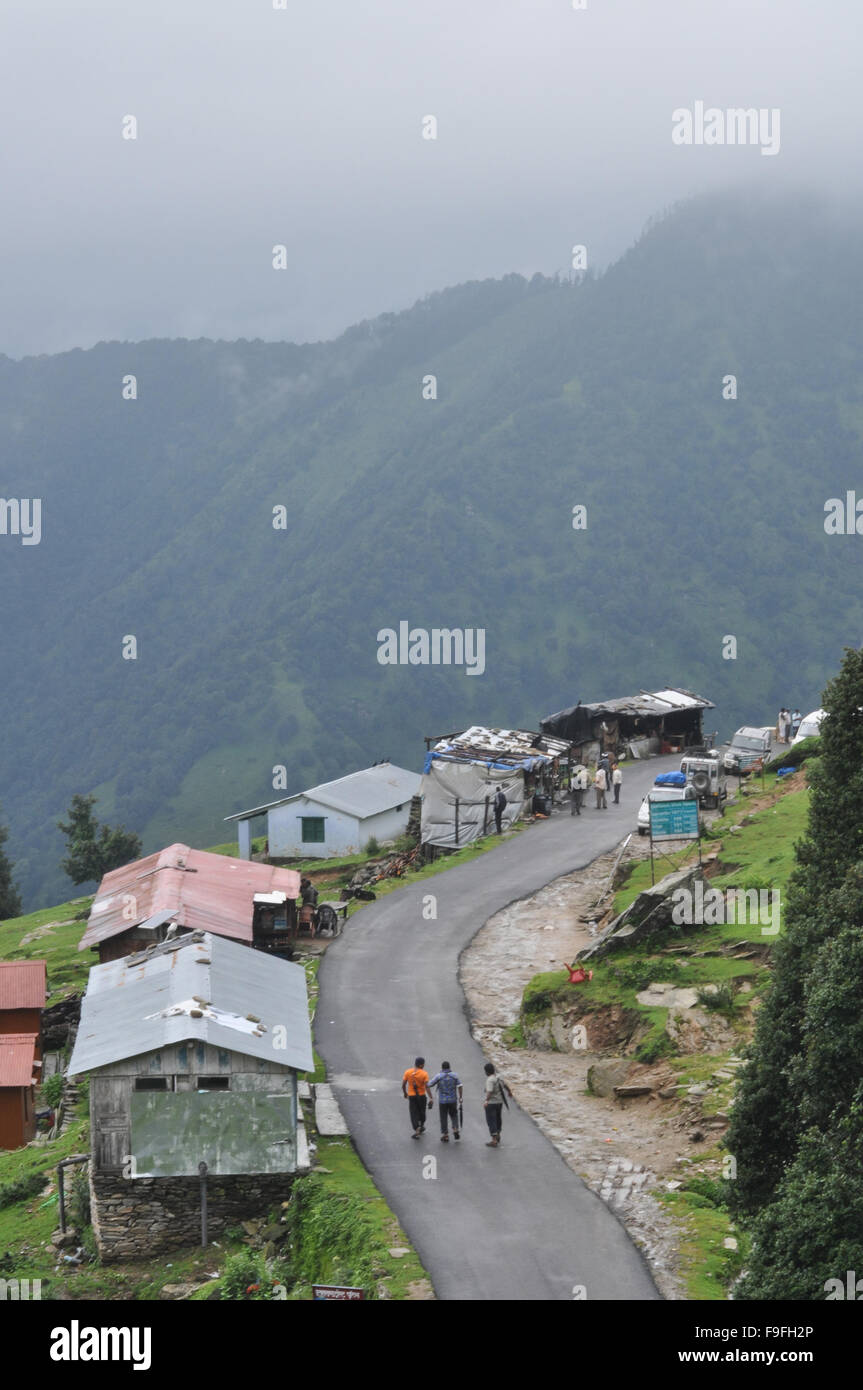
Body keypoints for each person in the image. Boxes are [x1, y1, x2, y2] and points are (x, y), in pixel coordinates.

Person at [428, 1061, 463, 1141]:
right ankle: (455, 1129)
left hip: (442, 1101)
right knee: (454, 1115)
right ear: (449, 1067)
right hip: (453, 1100)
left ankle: (445, 1135)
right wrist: (460, 1097)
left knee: (443, 1117)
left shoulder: (439, 1076)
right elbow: (460, 1086)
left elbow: (429, 1084)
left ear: (442, 1068)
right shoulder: (454, 1075)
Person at [483, 1062, 512, 1147]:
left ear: (487, 1072)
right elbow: (505, 1085)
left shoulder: (490, 1080)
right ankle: (498, 1133)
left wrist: (486, 1101)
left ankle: (494, 1140)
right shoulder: (498, 1077)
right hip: (499, 1102)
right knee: (498, 1119)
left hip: (491, 1103)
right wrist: (510, 1092)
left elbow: (489, 1091)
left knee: (491, 1120)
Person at [402, 1056, 432, 1139]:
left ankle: (417, 1128)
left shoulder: (408, 1072)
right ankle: (421, 1125)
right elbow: (427, 1086)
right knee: (422, 1112)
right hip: (422, 1096)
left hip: (412, 1096)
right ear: (421, 1065)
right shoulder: (424, 1073)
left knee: (413, 1113)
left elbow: (403, 1084)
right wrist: (431, 1097)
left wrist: (405, 1093)